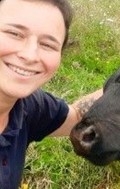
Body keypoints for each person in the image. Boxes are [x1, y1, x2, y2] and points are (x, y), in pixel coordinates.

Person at [0, 0, 103, 188]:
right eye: (14, 34)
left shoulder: (28, 106)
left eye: (48, 45)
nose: (30, 55)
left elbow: (77, 116)